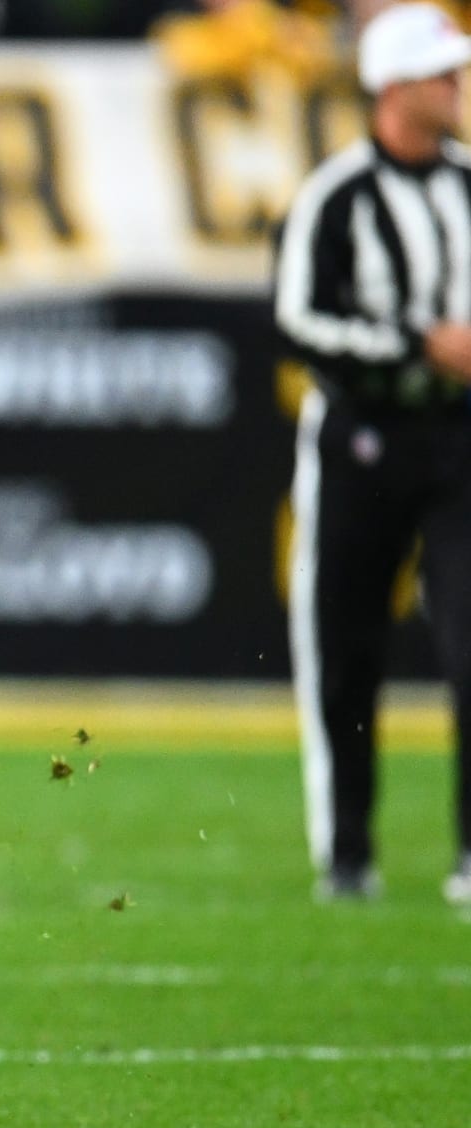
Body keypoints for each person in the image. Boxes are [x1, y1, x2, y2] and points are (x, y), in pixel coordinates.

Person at [274, 2, 471, 905]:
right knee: (347, 646)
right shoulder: (337, 195)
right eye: (440, 73)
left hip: (461, 436)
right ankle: (348, 853)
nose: (456, 85)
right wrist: (414, 343)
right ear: (393, 86)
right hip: (363, 437)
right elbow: (299, 321)